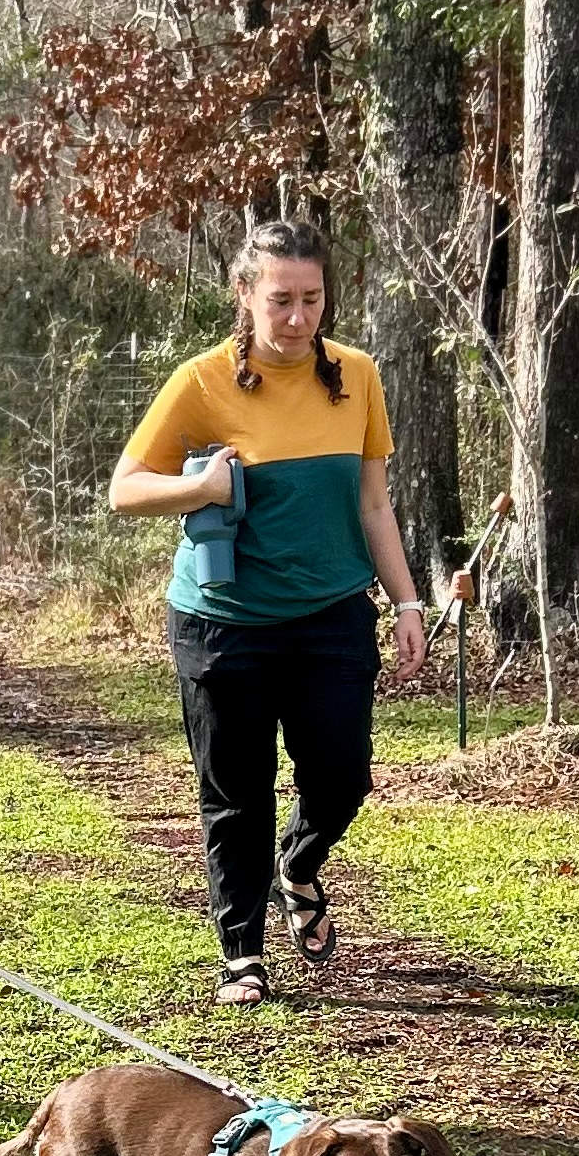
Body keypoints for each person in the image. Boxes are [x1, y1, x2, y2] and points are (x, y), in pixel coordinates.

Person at [106, 218, 428, 1004]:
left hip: (330, 617)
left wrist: (407, 599)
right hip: (224, 621)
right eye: (280, 299)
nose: (298, 317)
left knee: (344, 775)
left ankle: (301, 865)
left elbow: (374, 501)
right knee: (236, 791)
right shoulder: (201, 381)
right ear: (245, 295)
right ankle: (241, 951)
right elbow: (125, 487)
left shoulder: (358, 377)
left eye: (312, 299)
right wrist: (199, 489)